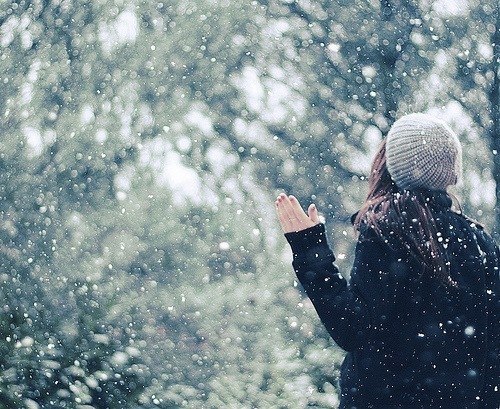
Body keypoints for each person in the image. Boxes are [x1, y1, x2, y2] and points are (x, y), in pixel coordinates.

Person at [275, 113, 499, 409]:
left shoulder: (389, 231)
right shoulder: (479, 242)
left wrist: (310, 250)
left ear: (393, 166)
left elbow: (353, 328)